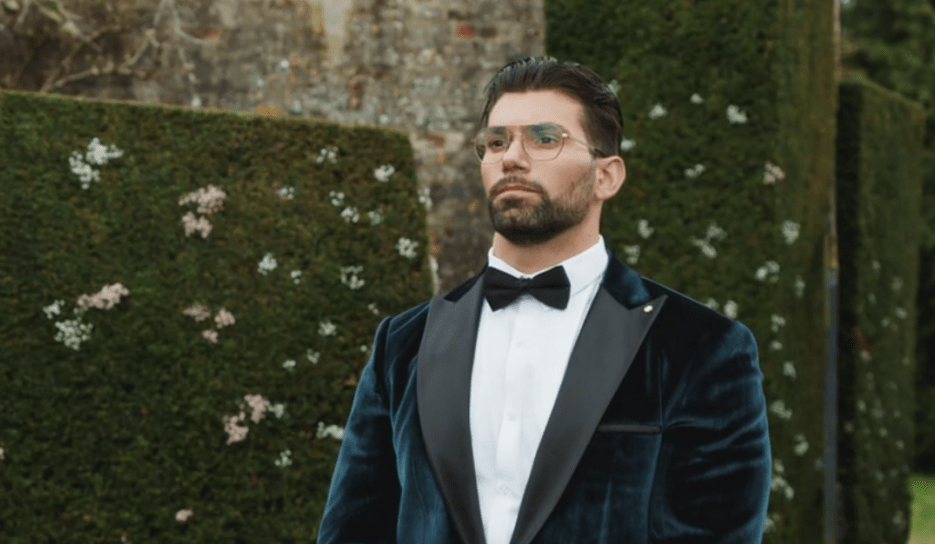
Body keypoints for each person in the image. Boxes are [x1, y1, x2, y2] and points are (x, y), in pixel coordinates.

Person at [316, 56, 771, 544]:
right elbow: (354, 528)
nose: (512, 157)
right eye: (497, 142)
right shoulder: (404, 343)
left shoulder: (701, 347)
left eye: (544, 138)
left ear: (607, 176)